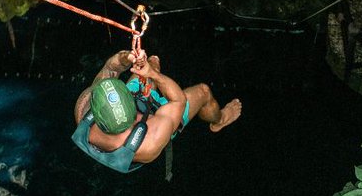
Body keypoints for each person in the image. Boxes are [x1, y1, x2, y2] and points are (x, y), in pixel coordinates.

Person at [71, 49, 241, 173]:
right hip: (156, 125)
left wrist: (126, 58)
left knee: (152, 62)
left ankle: (152, 67)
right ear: (133, 120)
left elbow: (111, 68)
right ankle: (219, 121)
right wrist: (153, 75)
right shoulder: (150, 141)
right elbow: (178, 100)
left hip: (131, 114)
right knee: (203, 91)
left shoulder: (88, 102)